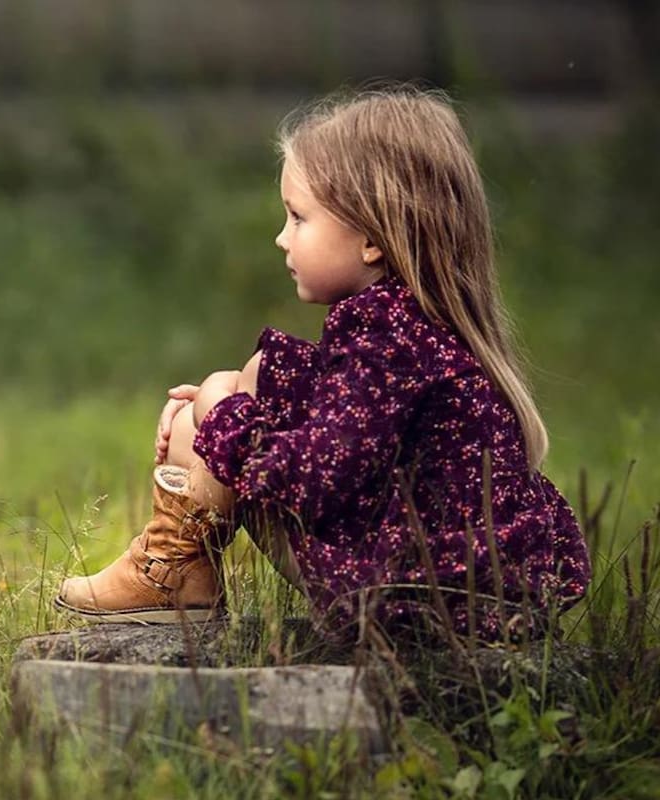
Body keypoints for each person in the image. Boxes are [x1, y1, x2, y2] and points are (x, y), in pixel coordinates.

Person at [54, 87, 591, 642]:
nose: (281, 238)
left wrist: (223, 420)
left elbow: (315, 482)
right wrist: (223, 405)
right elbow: (339, 435)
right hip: (461, 595)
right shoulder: (417, 326)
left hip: (416, 607)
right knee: (253, 376)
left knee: (224, 402)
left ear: (371, 238)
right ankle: (178, 572)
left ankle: (169, 573)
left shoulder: (386, 339)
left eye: (298, 217)